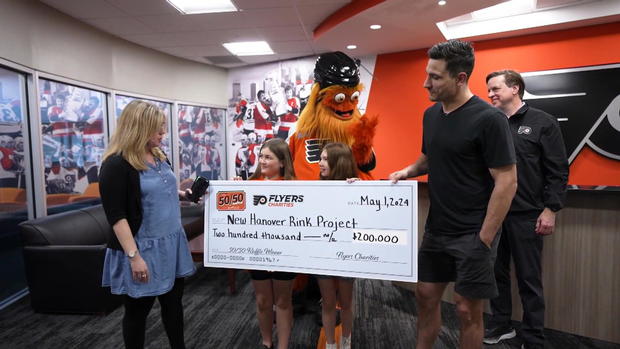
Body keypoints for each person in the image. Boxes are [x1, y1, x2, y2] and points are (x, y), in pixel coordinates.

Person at [388, 40, 517, 349]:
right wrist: (407, 170)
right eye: (427, 74)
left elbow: (507, 182)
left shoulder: (489, 119)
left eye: (435, 77)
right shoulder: (431, 116)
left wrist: (484, 238)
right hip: (437, 228)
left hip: (473, 232)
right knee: (425, 296)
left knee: (466, 309)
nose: (425, 83)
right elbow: (430, 157)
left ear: (460, 78)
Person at [99, 100, 196, 349]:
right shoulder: (115, 165)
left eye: (163, 128)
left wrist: (183, 195)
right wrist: (134, 257)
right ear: (139, 128)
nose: (163, 134)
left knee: (174, 306)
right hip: (142, 248)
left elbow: (159, 188)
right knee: (137, 312)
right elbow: (117, 216)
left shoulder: (156, 154)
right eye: (158, 129)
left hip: (171, 243)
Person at [484, 70, 569, 349]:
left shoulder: (543, 122)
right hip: (494, 214)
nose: (490, 94)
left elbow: (557, 170)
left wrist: (551, 209)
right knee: (496, 275)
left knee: (529, 279)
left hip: (527, 214)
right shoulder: (490, 123)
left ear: (515, 88)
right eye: (488, 90)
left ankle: (533, 338)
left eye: (495, 88)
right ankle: (501, 324)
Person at [242, 138, 297, 349]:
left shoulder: (296, 187)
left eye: (268, 157)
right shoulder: (249, 186)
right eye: (261, 156)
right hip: (258, 254)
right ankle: (267, 342)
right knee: (263, 301)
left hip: (286, 255)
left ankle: (283, 346)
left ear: (282, 162)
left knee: (283, 302)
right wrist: (231, 187)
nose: (263, 161)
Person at [316, 142, 358, 349]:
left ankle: (347, 341)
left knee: (347, 303)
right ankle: (331, 344)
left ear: (338, 162)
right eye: (320, 158)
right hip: (322, 253)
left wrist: (358, 189)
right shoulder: (316, 188)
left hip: (347, 254)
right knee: (328, 302)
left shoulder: (354, 186)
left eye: (325, 159)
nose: (320, 163)